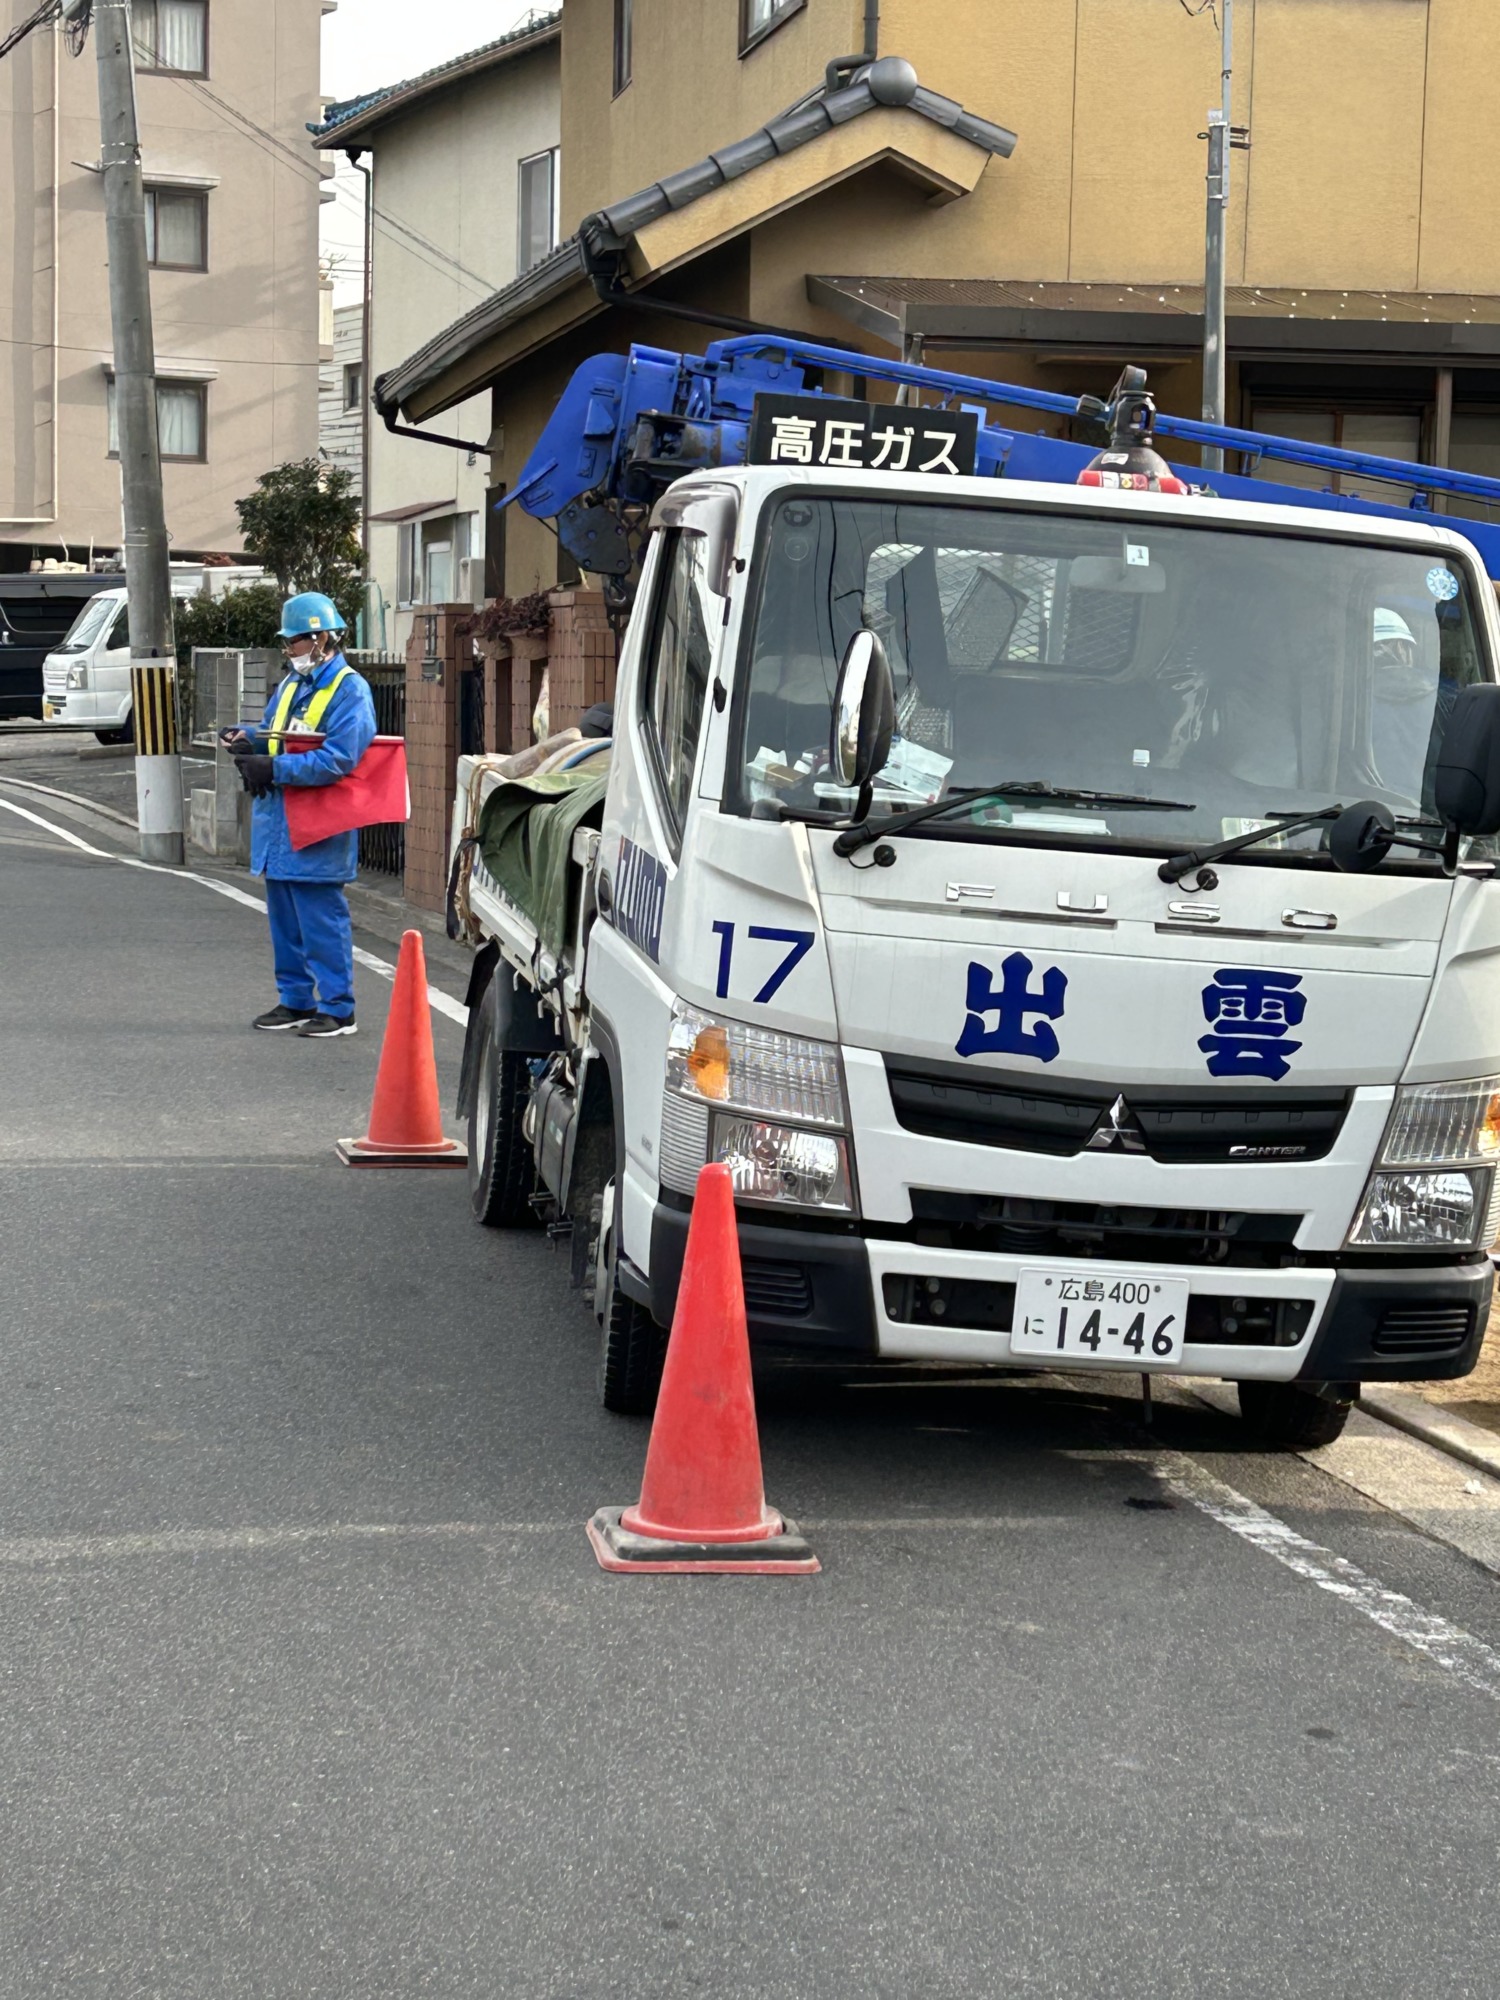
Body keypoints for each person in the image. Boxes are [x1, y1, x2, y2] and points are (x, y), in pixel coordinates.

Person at [226, 593, 376, 1038]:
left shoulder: (350, 689)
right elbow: (278, 735)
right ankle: (295, 1000)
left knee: (320, 921)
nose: (289, 649)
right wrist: (248, 740)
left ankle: (338, 1009)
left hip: (317, 825)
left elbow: (339, 759)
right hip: (281, 824)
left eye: (293, 641)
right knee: (286, 922)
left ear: (320, 638)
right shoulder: (292, 684)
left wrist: (273, 768)